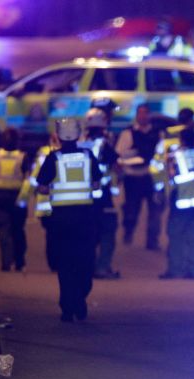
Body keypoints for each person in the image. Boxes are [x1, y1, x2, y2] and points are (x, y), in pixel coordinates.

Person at [36, 118, 102, 322]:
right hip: (85, 218)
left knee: (65, 264)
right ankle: (79, 300)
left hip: (61, 220)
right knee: (85, 262)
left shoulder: (53, 158)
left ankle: (67, 307)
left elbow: (42, 186)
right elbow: (98, 184)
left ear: (58, 136)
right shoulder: (88, 156)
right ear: (79, 134)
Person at [160, 127, 194, 280]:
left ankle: (175, 270)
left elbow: (171, 177)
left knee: (175, 236)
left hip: (181, 201)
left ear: (182, 140)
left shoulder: (177, 156)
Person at [79, 108, 121, 280]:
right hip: (102, 197)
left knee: (87, 234)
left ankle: (85, 268)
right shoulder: (104, 144)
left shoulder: (80, 144)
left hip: (83, 197)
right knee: (107, 233)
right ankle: (102, 268)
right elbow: (115, 163)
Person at [115, 104, 164, 250]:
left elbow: (162, 154)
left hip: (151, 178)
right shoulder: (128, 133)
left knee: (155, 210)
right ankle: (128, 232)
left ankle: (152, 241)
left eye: (145, 113)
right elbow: (119, 155)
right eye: (140, 113)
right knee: (131, 209)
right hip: (133, 177)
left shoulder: (157, 133)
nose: (142, 116)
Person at [0, 128, 29, 271]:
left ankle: (6, 262)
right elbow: (27, 178)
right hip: (17, 197)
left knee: (3, 230)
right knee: (18, 230)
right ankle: (19, 262)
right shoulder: (22, 157)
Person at [17, 141, 57, 271]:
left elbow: (33, 180)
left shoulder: (44, 155)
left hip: (46, 207)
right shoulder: (77, 153)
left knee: (52, 235)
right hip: (70, 206)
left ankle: (54, 263)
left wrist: (22, 200)